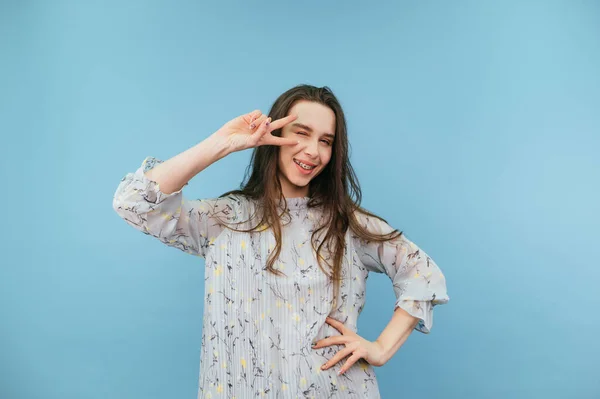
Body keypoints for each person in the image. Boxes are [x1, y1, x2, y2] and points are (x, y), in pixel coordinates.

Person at [112, 84, 449, 399]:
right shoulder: (225, 219)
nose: (312, 151)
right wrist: (223, 143)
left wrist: (381, 348)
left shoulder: (346, 224)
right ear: (274, 135)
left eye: (326, 141)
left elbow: (422, 272)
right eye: (301, 134)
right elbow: (135, 202)